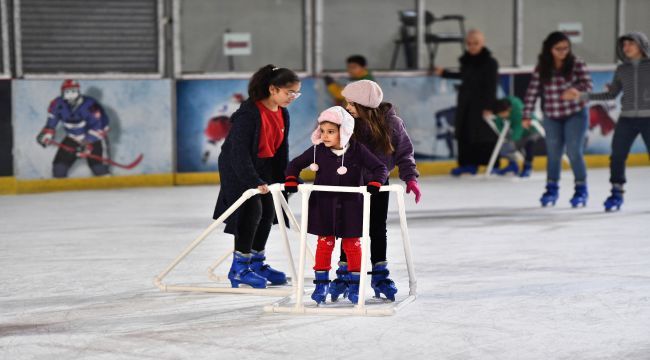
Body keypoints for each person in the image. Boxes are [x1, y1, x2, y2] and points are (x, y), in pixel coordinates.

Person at [284, 106, 388, 304]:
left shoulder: (357, 150)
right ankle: (321, 284)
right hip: (324, 207)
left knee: (353, 246)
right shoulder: (317, 151)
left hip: (352, 208)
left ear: (345, 130)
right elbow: (294, 164)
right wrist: (291, 178)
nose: (325, 136)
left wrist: (375, 182)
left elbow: (379, 168)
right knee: (325, 245)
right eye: (322, 131)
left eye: (331, 132)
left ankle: (355, 285)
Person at [330, 79, 420, 302]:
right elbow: (328, 145)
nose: (348, 107)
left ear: (364, 104)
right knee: (349, 230)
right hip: (350, 185)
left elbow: (404, 152)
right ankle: (345, 273)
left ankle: (379, 273)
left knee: (377, 229)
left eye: (351, 103)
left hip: (379, 184)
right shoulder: (347, 122)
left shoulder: (393, 123)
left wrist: (410, 178)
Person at [212, 64, 300, 289]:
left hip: (264, 167)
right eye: (289, 92)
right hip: (238, 169)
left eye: (296, 93)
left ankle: (257, 263)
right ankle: (240, 268)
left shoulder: (283, 113)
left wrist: (287, 177)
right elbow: (238, 152)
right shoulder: (249, 114)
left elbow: (281, 150)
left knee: (270, 211)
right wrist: (253, 180)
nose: (292, 97)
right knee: (251, 211)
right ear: (273, 89)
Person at [562, 31, 650, 211]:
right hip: (627, 119)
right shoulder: (622, 69)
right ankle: (616, 192)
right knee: (617, 155)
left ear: (641, 46)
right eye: (624, 45)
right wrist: (581, 96)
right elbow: (611, 94)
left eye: (630, 44)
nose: (626, 48)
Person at [522, 31, 593, 208]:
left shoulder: (577, 64)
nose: (563, 52)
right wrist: (527, 114)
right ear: (549, 49)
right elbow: (532, 91)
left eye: (566, 48)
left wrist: (577, 91)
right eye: (558, 49)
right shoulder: (542, 67)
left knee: (574, 151)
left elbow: (588, 86)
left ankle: (581, 188)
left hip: (575, 114)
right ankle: (551, 188)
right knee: (553, 153)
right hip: (552, 116)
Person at [433, 29, 499, 176]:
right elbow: (464, 75)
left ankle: (490, 163)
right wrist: (444, 73)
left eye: (475, 43)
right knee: (465, 133)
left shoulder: (490, 62)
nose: (472, 47)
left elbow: (491, 85)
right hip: (466, 103)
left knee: (483, 134)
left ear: (482, 43)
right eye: (469, 44)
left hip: (482, 104)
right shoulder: (466, 60)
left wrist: (489, 106)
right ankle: (468, 164)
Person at [36, 79, 110, 178]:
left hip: (94, 140)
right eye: (67, 92)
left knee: (99, 169)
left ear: (78, 91)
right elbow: (51, 121)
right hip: (72, 138)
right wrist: (47, 133)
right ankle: (60, 190)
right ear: (62, 92)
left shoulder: (90, 105)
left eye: (73, 91)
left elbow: (99, 126)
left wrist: (87, 143)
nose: (70, 95)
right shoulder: (57, 104)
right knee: (59, 168)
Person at [490, 96, 542, 177]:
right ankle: (512, 165)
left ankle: (527, 167)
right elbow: (498, 122)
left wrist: (513, 141)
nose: (502, 116)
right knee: (504, 149)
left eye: (503, 114)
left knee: (529, 146)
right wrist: (505, 136)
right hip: (518, 133)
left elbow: (519, 126)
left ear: (509, 109)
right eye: (499, 114)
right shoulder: (501, 109)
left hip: (532, 130)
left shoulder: (518, 109)